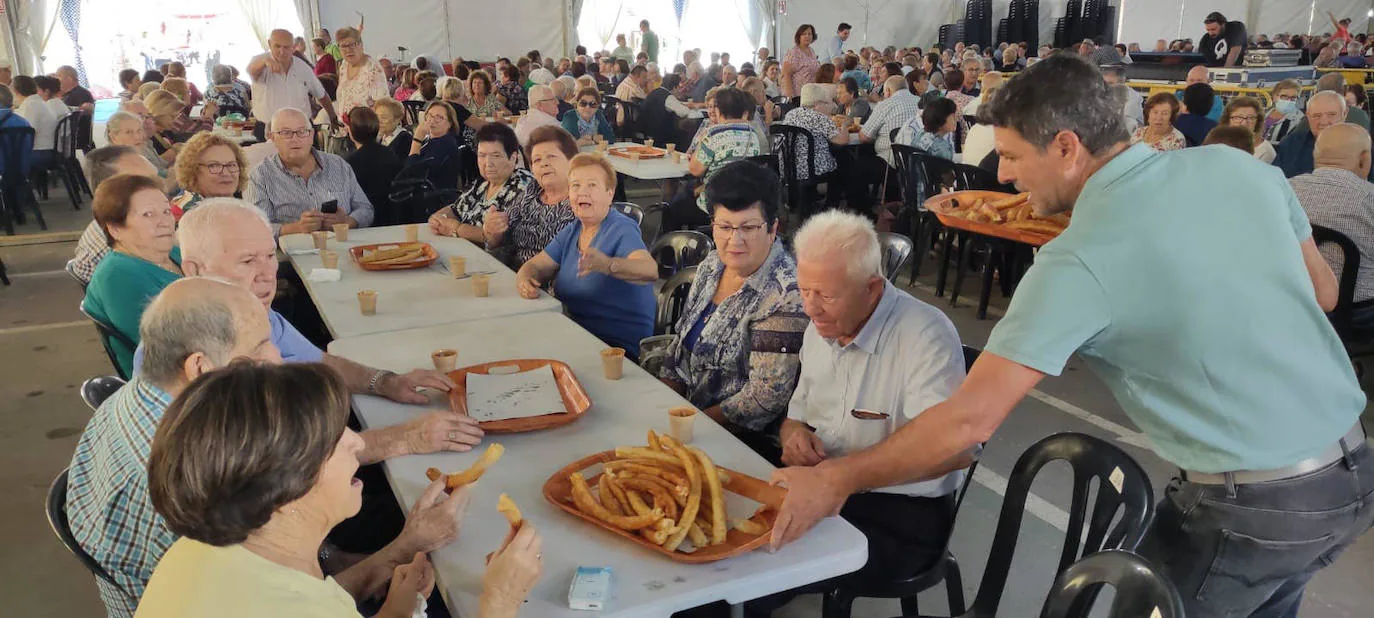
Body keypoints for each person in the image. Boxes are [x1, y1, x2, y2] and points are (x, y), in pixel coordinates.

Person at [770, 54, 1370, 618]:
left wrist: (834, 479)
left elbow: (965, 426)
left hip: (1250, 508)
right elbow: (1322, 294)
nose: (1001, 173)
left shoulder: (1077, 263)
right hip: (1350, 468)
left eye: (1010, 156)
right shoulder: (1235, 165)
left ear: (1066, 147)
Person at [136, 360, 541, 618]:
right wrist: (499, 602)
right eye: (334, 439)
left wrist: (399, 582)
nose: (357, 442)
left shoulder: (203, 547)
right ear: (285, 491)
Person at [749, 209, 967, 614]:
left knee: (754, 567)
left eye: (826, 295)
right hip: (825, 482)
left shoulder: (925, 335)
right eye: (805, 289)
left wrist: (841, 478)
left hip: (902, 512)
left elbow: (954, 450)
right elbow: (795, 417)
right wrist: (793, 437)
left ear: (872, 289)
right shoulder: (820, 326)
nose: (811, 309)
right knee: (729, 529)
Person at [659, 161, 806, 462]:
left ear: (773, 228)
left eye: (749, 227)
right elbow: (679, 349)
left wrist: (692, 426)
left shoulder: (786, 295)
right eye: (724, 226)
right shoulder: (712, 265)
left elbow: (765, 398)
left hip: (739, 444)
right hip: (686, 422)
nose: (734, 240)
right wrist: (659, 404)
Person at [516, 153, 656, 355]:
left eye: (592, 185)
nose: (582, 192)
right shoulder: (574, 230)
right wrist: (525, 279)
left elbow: (650, 270)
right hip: (577, 336)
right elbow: (536, 265)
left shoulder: (622, 228)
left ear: (609, 193)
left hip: (616, 351)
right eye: (575, 186)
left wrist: (609, 265)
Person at [83, 174, 183, 375]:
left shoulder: (173, 253)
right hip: (169, 378)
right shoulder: (117, 276)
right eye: (148, 214)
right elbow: (166, 349)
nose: (164, 222)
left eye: (166, 211)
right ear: (115, 229)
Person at [1291, 123, 1374, 328]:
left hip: (1292, 304)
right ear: (1364, 159)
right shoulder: (1369, 197)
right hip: (1359, 312)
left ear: (1315, 154)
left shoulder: (1283, 188)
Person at [249, 107, 374, 236]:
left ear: (312, 135)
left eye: (302, 131)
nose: (295, 139)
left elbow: (366, 209)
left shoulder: (338, 165)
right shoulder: (259, 176)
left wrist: (348, 222)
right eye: (286, 133)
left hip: (341, 247)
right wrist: (297, 228)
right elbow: (255, 228)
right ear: (272, 137)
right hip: (289, 253)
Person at [668, 88, 761, 231]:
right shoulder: (752, 133)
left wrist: (702, 140)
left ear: (719, 110)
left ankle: (672, 248)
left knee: (672, 209)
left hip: (715, 202)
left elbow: (695, 169)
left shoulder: (714, 133)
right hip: (742, 199)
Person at [484, 126, 578, 268]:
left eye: (551, 156)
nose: (544, 164)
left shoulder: (581, 200)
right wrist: (493, 232)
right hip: (510, 272)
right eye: (537, 160)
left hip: (547, 282)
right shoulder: (532, 190)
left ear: (572, 161)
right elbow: (500, 239)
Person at [71, 147, 162, 284]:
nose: (160, 190)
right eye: (144, 185)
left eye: (157, 179)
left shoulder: (121, 217)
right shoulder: (123, 247)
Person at [428, 123, 531, 243]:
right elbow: (455, 209)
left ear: (513, 157)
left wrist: (457, 229)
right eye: (482, 156)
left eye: (496, 156)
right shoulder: (483, 183)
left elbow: (500, 238)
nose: (488, 163)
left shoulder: (522, 186)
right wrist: (437, 219)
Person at [248, 29, 340, 134]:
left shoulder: (303, 68)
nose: (282, 51)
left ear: (293, 47)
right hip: (269, 129)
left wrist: (333, 118)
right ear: (269, 44)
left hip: (301, 128)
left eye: (286, 47)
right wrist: (265, 62)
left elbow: (321, 94)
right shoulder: (259, 61)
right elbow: (252, 70)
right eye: (277, 46)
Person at [344, 107, 402, 225]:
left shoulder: (349, 162)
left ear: (350, 130)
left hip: (363, 222)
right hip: (393, 218)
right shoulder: (390, 153)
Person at [170, 132, 249, 215]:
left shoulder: (229, 204)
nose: (226, 173)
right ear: (193, 170)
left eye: (231, 165)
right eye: (214, 165)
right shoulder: (187, 212)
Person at [1275, 91, 1349, 178]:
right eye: (1317, 116)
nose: (1324, 122)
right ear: (1308, 116)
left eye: (1331, 114)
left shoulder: (1359, 145)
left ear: (1344, 114)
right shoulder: (1290, 145)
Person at [779, 84, 843, 182]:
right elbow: (841, 140)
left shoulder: (790, 114)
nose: (827, 107)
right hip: (813, 170)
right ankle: (835, 196)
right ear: (817, 104)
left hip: (789, 169)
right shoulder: (820, 118)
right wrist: (846, 126)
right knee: (842, 160)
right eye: (825, 103)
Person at [860, 75, 922, 166]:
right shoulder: (921, 102)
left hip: (890, 163)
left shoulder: (886, 104)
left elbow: (864, 136)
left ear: (888, 91)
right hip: (919, 163)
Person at [402, 101, 464, 193]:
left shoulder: (446, 143)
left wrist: (417, 139)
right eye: (430, 115)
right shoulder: (429, 139)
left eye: (439, 117)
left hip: (434, 198)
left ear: (450, 123)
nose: (432, 120)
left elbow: (413, 174)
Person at [333, 27, 390, 119]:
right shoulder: (344, 65)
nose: (348, 50)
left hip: (368, 128)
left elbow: (383, 105)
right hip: (347, 128)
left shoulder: (372, 68)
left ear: (361, 45)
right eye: (343, 46)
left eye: (352, 44)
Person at [10, 76, 58, 168]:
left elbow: (27, 133)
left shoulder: (30, 105)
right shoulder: (37, 102)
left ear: (15, 91)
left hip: (39, 152)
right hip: (47, 150)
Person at [639, 73, 692, 146]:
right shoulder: (668, 97)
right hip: (661, 137)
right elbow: (685, 112)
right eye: (679, 87)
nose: (680, 90)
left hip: (647, 133)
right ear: (674, 87)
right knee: (686, 135)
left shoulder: (653, 92)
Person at [900, 96, 959, 161]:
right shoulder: (942, 148)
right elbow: (947, 170)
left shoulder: (921, 134)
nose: (956, 119)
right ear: (940, 121)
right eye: (953, 117)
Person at [1221, 97, 1277, 163]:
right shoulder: (1219, 143)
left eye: (1250, 118)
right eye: (1238, 117)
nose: (1244, 123)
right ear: (1227, 120)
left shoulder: (1265, 151)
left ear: (1257, 122)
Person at [782, 24, 821, 100]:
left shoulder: (812, 51)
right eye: (804, 34)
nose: (807, 36)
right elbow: (786, 74)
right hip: (797, 95)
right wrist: (789, 96)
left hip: (810, 94)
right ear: (799, 36)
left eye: (809, 34)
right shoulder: (794, 52)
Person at [1264, 79, 1303, 143]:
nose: (1289, 100)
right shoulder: (1263, 113)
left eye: (1293, 97)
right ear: (1274, 97)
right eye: (1284, 96)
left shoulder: (1300, 120)